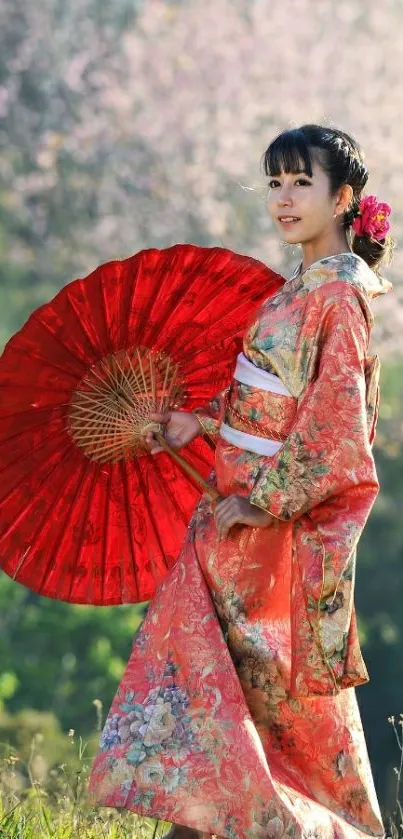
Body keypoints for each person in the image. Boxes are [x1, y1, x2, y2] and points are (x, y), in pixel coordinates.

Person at [89, 124, 393, 839]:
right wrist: (201, 423)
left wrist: (260, 501)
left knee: (257, 721)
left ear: (342, 197)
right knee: (221, 713)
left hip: (266, 538)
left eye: (299, 183)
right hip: (232, 528)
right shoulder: (301, 291)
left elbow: (334, 427)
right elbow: (268, 400)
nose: (283, 199)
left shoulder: (338, 300)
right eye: (273, 184)